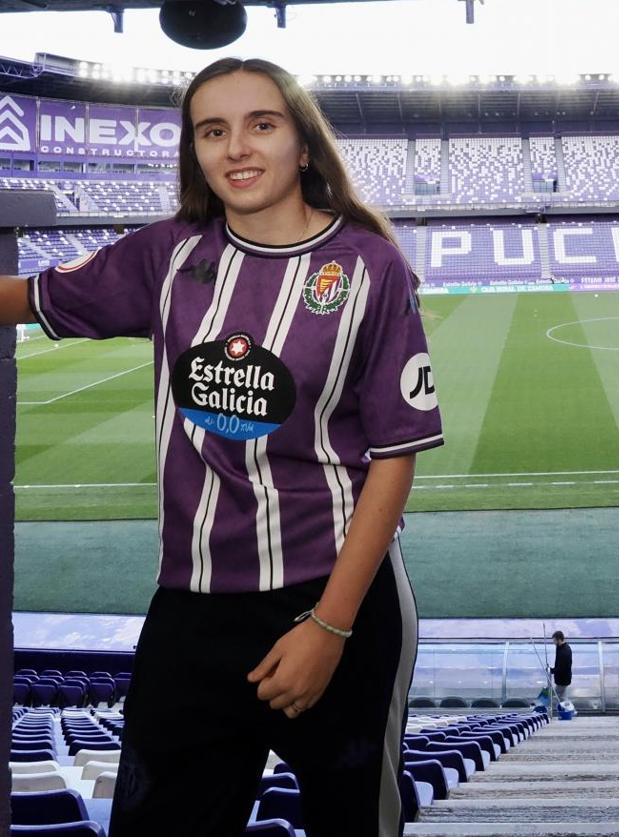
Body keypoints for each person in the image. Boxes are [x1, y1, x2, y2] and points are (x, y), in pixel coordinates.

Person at [0, 58, 443, 836]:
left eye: (261, 124)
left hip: (339, 600)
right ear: (196, 152)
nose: (236, 147)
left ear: (302, 144)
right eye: (213, 130)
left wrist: (329, 628)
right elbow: (27, 296)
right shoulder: (166, 255)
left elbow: (394, 458)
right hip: (192, 609)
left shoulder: (371, 267)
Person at [549, 630, 573, 705]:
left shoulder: (565, 652)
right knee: (562, 697)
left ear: (559, 640)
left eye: (554, 641)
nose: (553, 643)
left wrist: (552, 670)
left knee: (556, 696)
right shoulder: (560, 647)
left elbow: (561, 668)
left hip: (563, 679)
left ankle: (568, 710)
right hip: (563, 678)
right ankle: (570, 711)